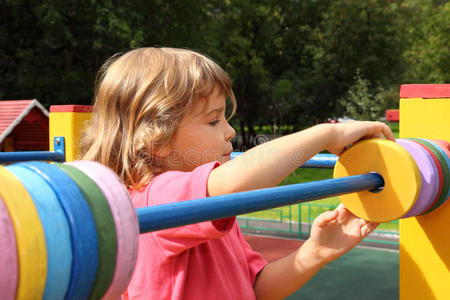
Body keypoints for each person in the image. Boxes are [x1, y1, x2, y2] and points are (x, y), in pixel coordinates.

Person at [81, 47, 395, 300]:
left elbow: (256, 288)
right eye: (214, 121)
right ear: (156, 140)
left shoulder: (211, 209)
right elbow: (234, 183)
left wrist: (314, 253)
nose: (230, 131)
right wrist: (325, 135)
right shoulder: (151, 201)